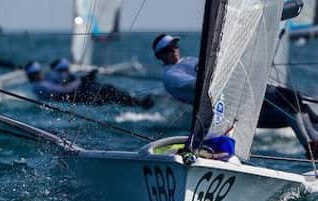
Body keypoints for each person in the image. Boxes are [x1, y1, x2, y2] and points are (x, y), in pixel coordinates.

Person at [153, 33, 318, 156]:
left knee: (298, 103)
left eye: (175, 45)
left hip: (241, 92)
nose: (174, 50)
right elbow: (205, 85)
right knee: (290, 101)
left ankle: (314, 144)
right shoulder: (171, 76)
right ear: (160, 55)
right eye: (168, 49)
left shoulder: (187, 60)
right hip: (231, 108)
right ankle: (311, 149)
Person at [25, 59, 153, 108]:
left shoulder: (44, 81)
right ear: (33, 74)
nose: (40, 73)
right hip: (71, 99)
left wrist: (86, 78)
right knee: (107, 92)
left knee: (107, 89)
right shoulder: (40, 85)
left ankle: (137, 102)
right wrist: (82, 80)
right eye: (37, 72)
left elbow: (66, 84)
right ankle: (138, 103)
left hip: (74, 96)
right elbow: (62, 90)